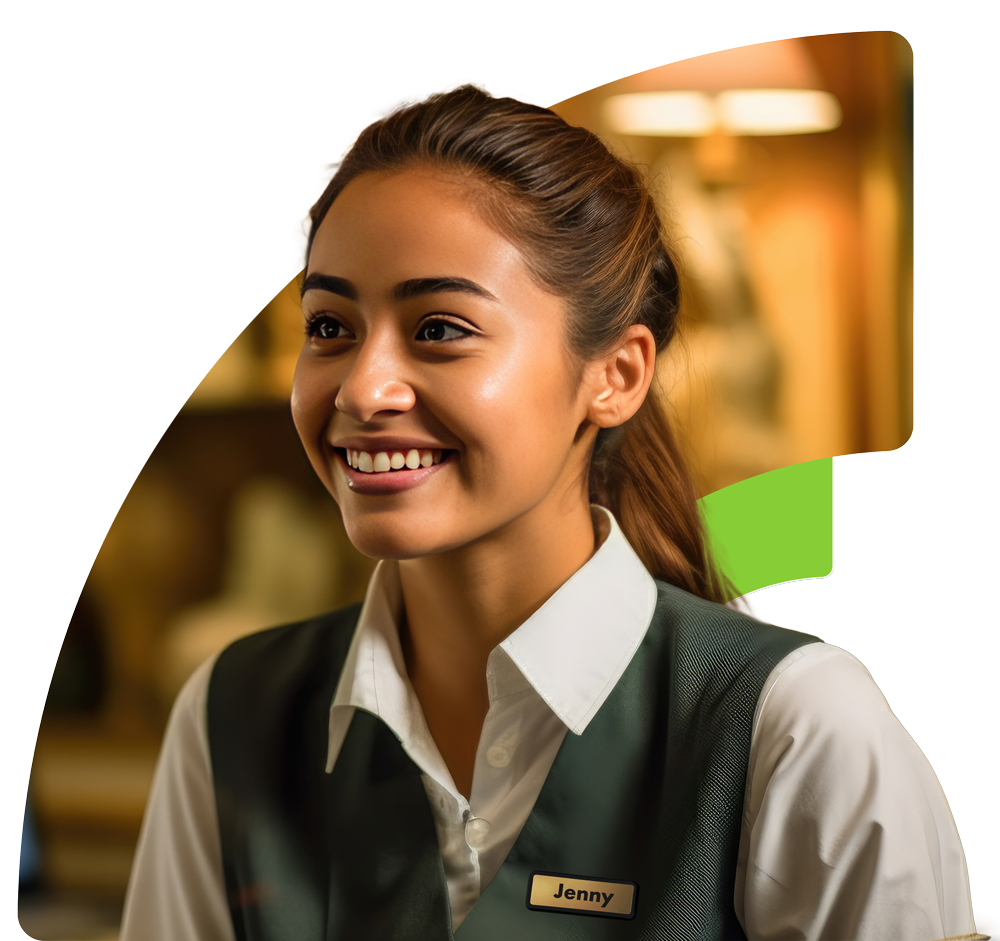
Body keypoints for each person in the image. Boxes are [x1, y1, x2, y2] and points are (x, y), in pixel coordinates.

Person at [119, 84, 974, 941]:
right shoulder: (226, 715)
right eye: (330, 326)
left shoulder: (798, 730)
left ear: (616, 375)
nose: (362, 387)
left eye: (441, 328)